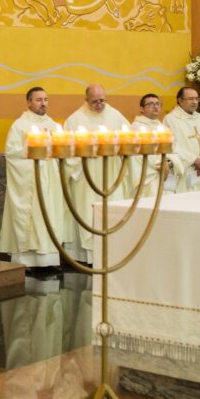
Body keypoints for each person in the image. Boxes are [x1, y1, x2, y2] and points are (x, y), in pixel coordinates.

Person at [0, 87, 66, 271]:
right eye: (38, 100)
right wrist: (34, 154)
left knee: (49, 215)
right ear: (28, 102)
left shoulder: (53, 125)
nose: (43, 103)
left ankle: (49, 260)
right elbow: (11, 152)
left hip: (49, 179)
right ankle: (26, 260)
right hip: (29, 179)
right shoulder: (19, 125)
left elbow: (60, 150)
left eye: (46, 99)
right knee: (30, 217)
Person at [63, 84, 129, 264]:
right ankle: (90, 257)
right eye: (94, 101)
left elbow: (130, 141)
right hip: (86, 176)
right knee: (88, 214)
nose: (99, 105)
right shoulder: (75, 120)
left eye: (102, 101)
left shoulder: (116, 116)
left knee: (112, 213)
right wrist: (84, 155)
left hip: (112, 174)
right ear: (86, 100)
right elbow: (67, 150)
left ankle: (112, 254)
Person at [164, 87, 200, 192]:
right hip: (187, 170)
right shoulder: (171, 119)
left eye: (196, 99)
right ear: (180, 100)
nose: (194, 102)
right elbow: (171, 146)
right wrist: (195, 160)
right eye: (190, 99)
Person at [127, 93, 170, 197]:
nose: (155, 106)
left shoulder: (164, 128)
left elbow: (174, 150)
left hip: (165, 177)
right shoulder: (135, 128)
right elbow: (136, 156)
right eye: (150, 104)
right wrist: (160, 165)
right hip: (146, 178)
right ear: (142, 108)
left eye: (157, 104)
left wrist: (169, 164)